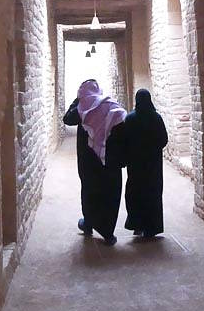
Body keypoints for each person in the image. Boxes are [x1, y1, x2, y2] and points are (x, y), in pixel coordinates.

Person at [63, 79, 128, 246]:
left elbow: (67, 119)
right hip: (109, 161)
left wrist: (77, 101)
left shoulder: (81, 108)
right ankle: (108, 232)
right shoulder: (111, 105)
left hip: (88, 161)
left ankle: (89, 223)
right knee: (110, 194)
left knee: (90, 191)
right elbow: (122, 129)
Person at [123, 89, 169, 238]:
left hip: (135, 164)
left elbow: (124, 140)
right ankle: (151, 227)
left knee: (135, 193)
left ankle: (137, 224)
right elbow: (163, 140)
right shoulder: (156, 118)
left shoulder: (130, 119)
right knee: (153, 193)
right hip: (153, 164)